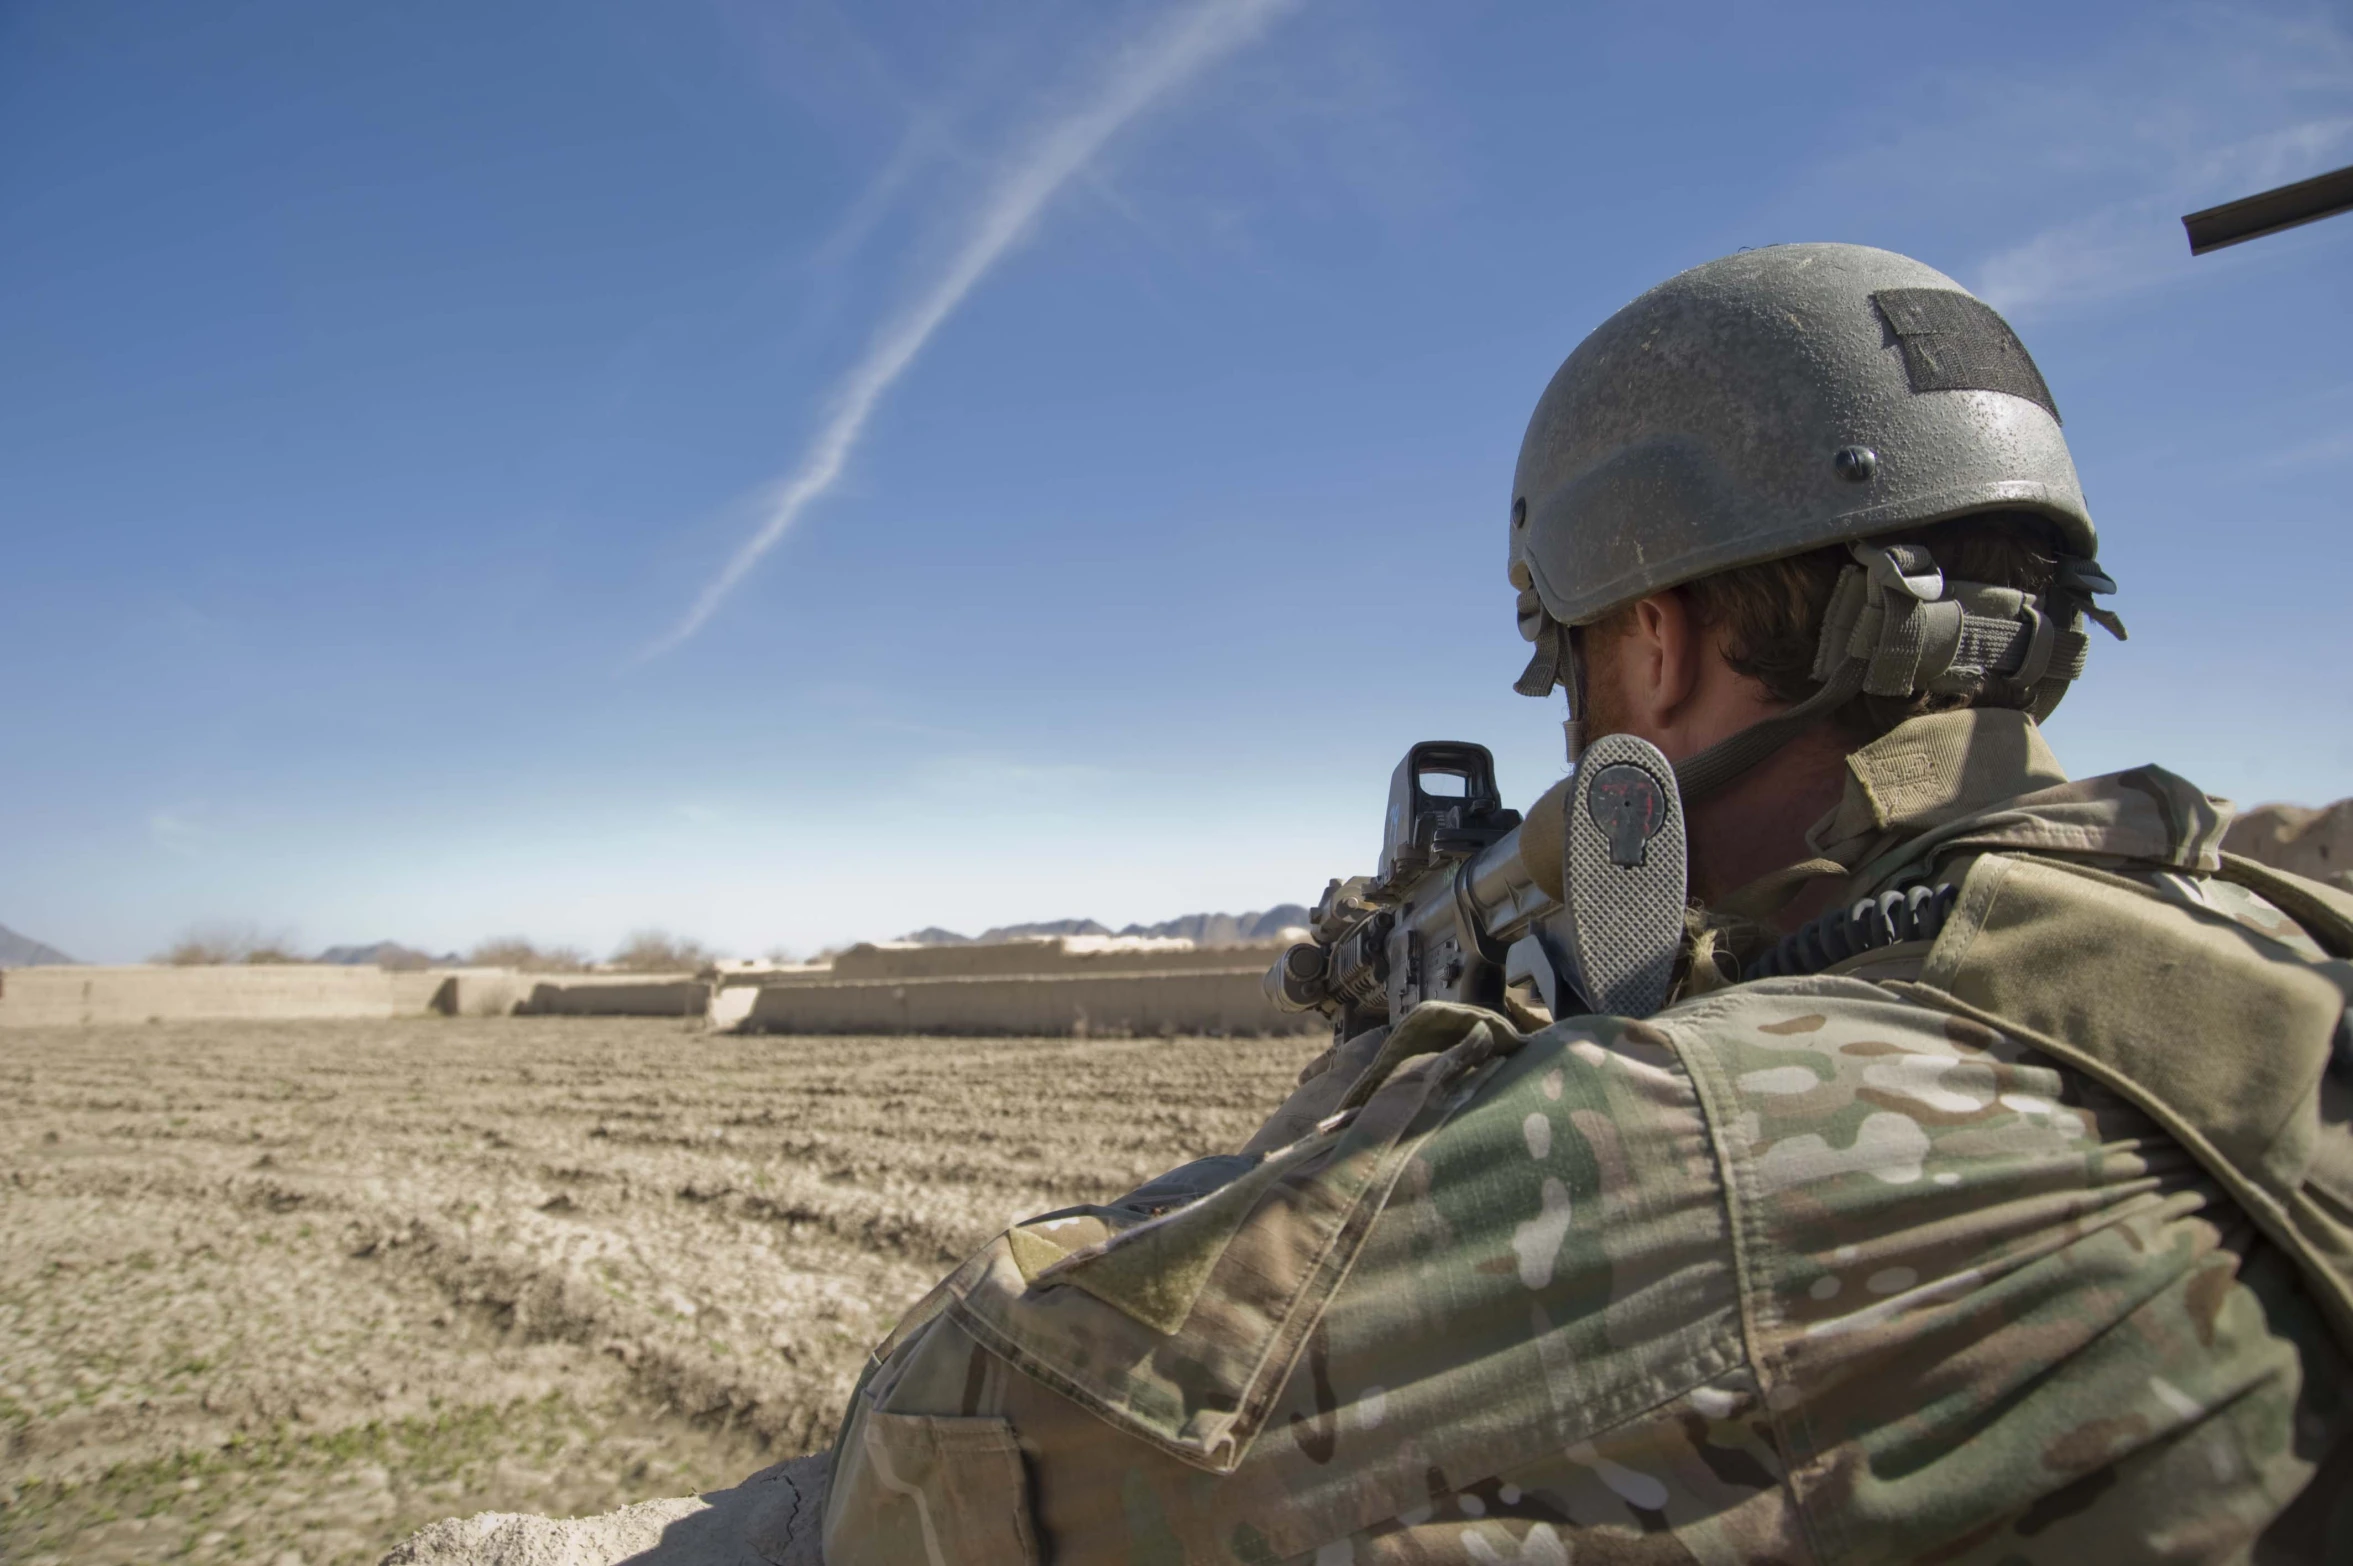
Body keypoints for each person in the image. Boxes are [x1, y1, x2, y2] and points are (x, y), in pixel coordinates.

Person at [811, 244, 2353, 1564]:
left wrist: (1394, 1103)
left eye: (1572, 664)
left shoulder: (1702, 1138)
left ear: (1657, 641)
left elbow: (969, 1432)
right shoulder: (2264, 937)